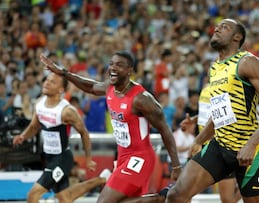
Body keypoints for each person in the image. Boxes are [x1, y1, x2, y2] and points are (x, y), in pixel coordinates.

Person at [165, 18, 259, 203]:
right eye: (217, 27)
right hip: (220, 146)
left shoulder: (247, 62)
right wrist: (199, 139)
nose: (217, 29)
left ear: (237, 37)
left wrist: (251, 144)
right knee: (176, 195)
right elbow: (222, 113)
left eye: (224, 27)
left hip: (249, 152)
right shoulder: (215, 68)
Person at [40, 51, 181, 203]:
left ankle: (160, 198)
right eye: (112, 64)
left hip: (140, 158)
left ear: (129, 71)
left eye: (119, 65)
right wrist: (63, 73)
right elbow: (90, 86)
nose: (113, 68)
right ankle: (158, 198)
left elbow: (164, 129)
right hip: (122, 156)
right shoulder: (110, 88)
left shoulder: (141, 99)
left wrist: (176, 165)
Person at [12, 73, 99, 203]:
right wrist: (23, 136)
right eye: (47, 80)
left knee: (33, 195)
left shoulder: (66, 111)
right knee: (65, 198)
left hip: (62, 159)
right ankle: (102, 179)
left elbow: (84, 133)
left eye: (52, 82)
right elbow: (34, 127)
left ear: (61, 90)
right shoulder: (40, 103)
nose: (47, 83)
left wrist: (88, 159)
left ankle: (102, 179)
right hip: (48, 158)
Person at [181, 83, 241, 203]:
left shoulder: (226, 88)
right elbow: (210, 113)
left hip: (220, 146)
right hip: (201, 145)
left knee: (227, 199)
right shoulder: (205, 89)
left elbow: (226, 115)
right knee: (183, 192)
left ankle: (247, 182)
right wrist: (194, 119)